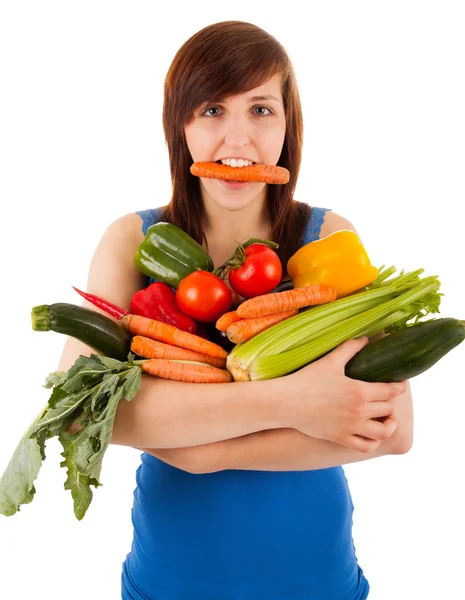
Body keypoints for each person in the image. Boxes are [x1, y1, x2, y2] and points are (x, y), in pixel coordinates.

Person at [59, 20, 412, 600]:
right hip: (169, 582)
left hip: (318, 581)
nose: (239, 141)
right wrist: (296, 405)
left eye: (261, 110)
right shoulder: (132, 241)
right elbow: (79, 414)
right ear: (181, 125)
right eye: (213, 111)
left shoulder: (328, 237)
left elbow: (395, 429)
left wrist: (202, 450)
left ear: (288, 124)